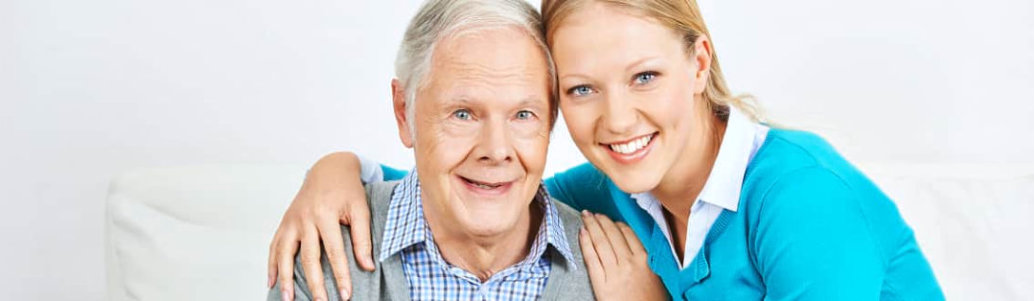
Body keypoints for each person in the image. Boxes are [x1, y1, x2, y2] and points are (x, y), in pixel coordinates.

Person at [270, 0, 945, 300]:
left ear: (699, 61)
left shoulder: (801, 197)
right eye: (584, 87)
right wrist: (334, 172)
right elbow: (473, 186)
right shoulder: (615, 189)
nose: (617, 118)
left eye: (644, 76)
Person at [267, 0, 659, 300]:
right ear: (405, 112)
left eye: (523, 114)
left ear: (552, 119)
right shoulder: (327, 250)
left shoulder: (620, 274)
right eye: (463, 114)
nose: (496, 150)